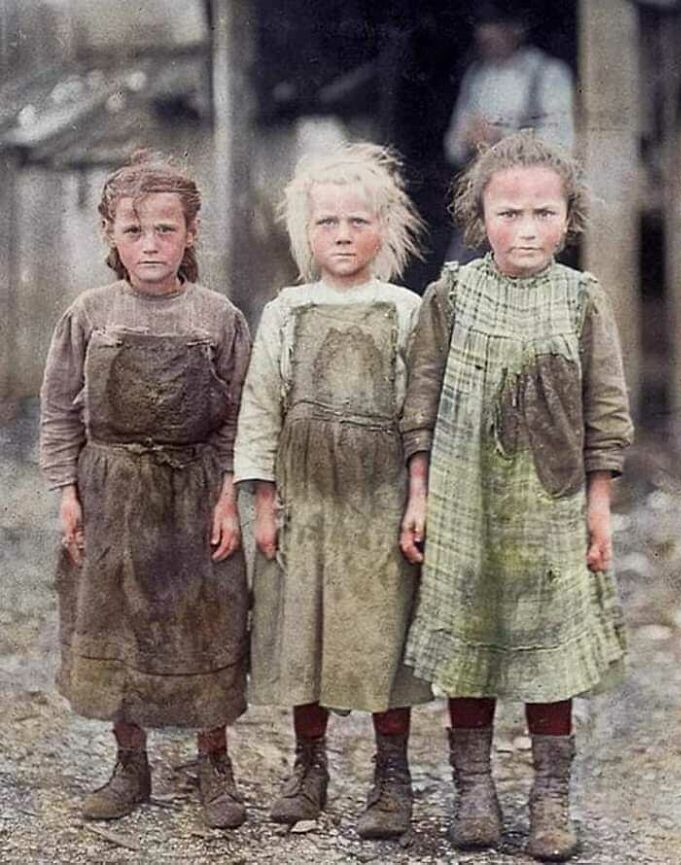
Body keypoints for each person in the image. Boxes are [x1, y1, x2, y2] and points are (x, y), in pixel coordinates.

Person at [399, 132, 633, 860]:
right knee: (470, 642)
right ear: (479, 218)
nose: (525, 229)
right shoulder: (453, 295)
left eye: (542, 213)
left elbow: (607, 410)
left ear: (569, 219)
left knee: (547, 650)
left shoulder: (583, 300)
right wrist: (419, 491)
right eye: (508, 214)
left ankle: (549, 794)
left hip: (551, 504)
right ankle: (473, 787)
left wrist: (598, 507)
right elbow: (420, 399)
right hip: (466, 498)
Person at [40, 152, 251, 829]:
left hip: (193, 492)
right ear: (110, 233)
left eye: (166, 229)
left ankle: (213, 763)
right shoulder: (88, 312)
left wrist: (228, 497)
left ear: (191, 233)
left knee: (206, 621)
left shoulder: (217, 316)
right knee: (116, 620)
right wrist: (67, 491)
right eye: (134, 232)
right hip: (112, 491)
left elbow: (240, 417)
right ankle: (129, 764)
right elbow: (58, 411)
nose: (151, 245)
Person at [234, 143, 432, 839]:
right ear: (304, 232)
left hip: (377, 506)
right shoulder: (286, 311)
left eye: (357, 220)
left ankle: (391, 776)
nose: (342, 235)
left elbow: (420, 413)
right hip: (306, 504)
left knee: (381, 636)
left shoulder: (406, 310)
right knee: (304, 636)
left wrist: (417, 493)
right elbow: (261, 406)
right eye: (327, 223)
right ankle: (309, 767)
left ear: (387, 227)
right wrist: (262, 500)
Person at [443, 3, 575, 264]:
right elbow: (452, 147)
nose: (484, 34)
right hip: (484, 201)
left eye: (492, 25)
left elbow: (563, 144)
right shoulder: (477, 76)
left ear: (517, 27)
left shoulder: (549, 75)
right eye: (480, 26)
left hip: (533, 201)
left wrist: (501, 138)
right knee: (462, 276)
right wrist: (468, 137)